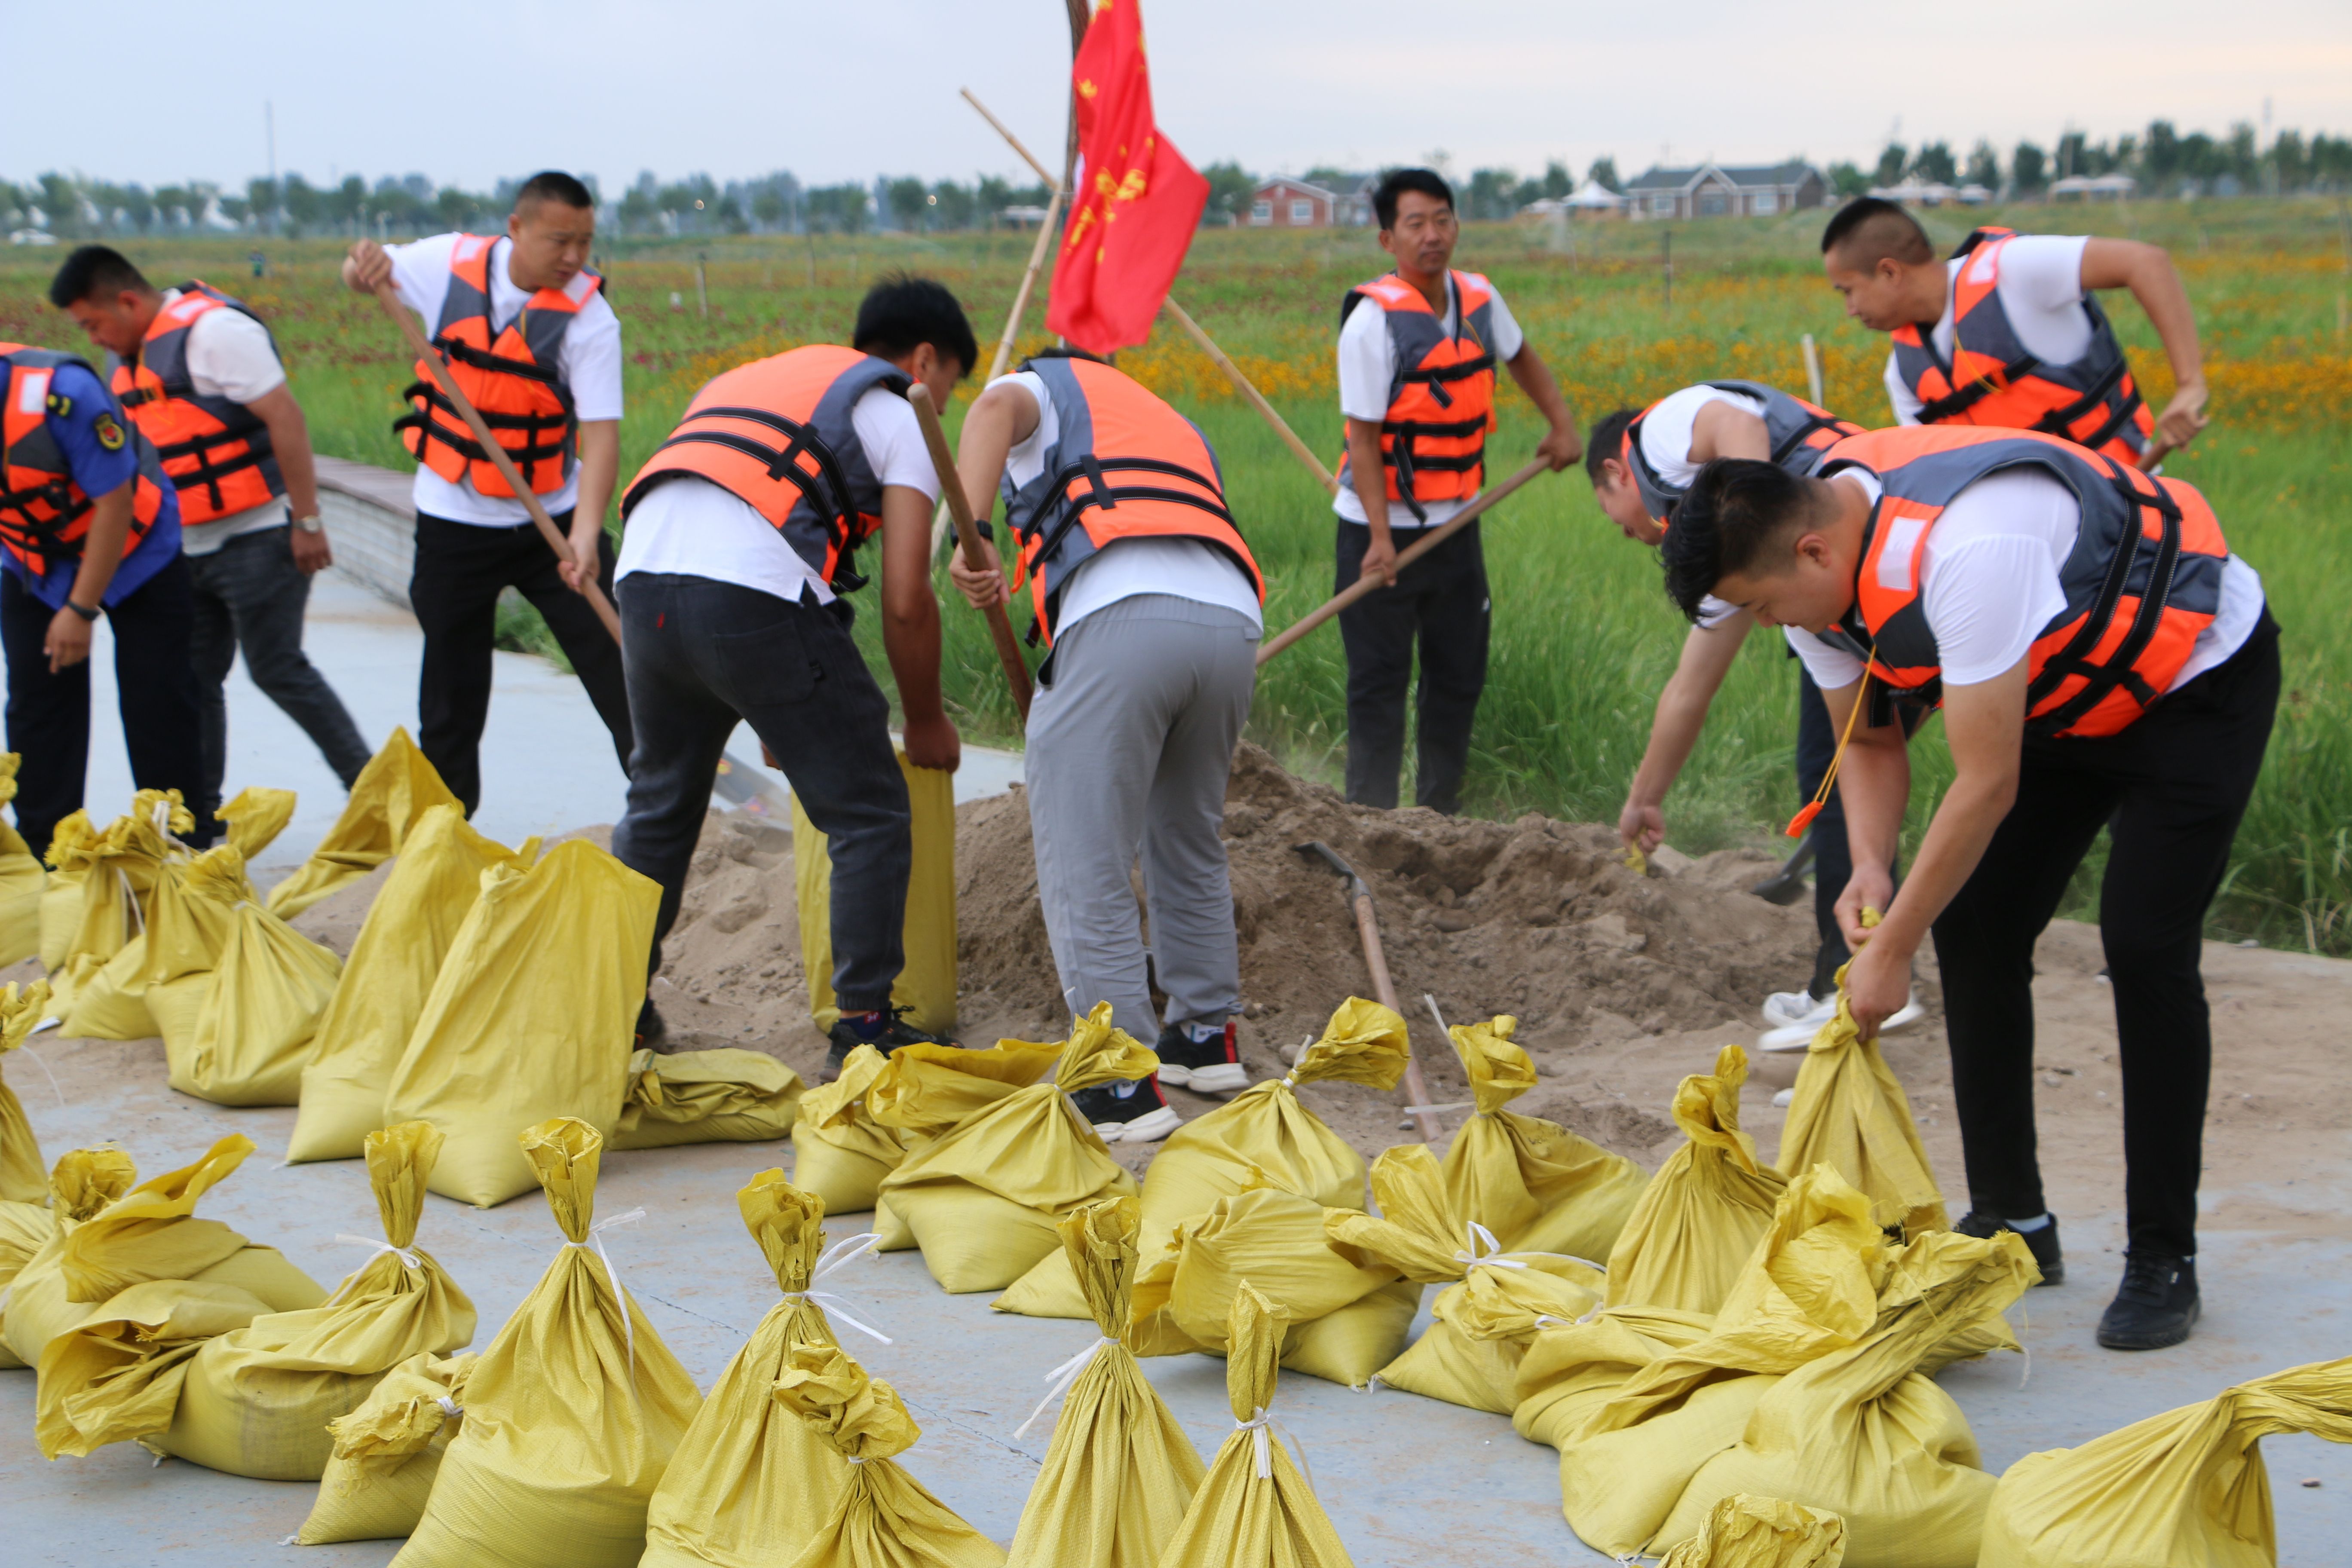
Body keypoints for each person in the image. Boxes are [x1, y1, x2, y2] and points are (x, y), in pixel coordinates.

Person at [1661, 423, 2276, 1352]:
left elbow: (1986, 783)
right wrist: (1873, 866)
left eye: (1760, 604)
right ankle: (2012, 1220)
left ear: (1811, 551)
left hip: (2189, 681)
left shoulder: (1970, 549)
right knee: (1981, 924)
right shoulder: (1821, 586)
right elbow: (1868, 739)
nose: (1766, 625)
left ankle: (2164, 1255)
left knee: (2143, 944)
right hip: (2062, 699)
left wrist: (1893, 948)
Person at [608, 277, 971, 1078]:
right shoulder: (901, 410)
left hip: (641, 577)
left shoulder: (755, 378)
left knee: (661, 802)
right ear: (923, 362)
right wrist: (924, 721)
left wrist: (776, 707)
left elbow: (757, 514)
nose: (940, 411)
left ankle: (614, 1009)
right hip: (745, 592)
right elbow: (907, 599)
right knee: (870, 808)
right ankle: (867, 1027)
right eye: (947, 390)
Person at [946, 348, 1265, 1144]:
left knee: (1083, 853)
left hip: (1123, 614)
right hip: (1230, 625)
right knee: (1186, 834)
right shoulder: (1167, 419)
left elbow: (987, 413)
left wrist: (974, 535)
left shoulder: (1042, 384)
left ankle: (1120, 1081)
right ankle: (1204, 1037)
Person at [1585, 380, 1920, 1041]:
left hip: (1867, 551)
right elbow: (1691, 686)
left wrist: (1761, 526)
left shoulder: (1657, 438)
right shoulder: (1720, 549)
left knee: (1834, 769)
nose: (1628, 534)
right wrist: (1645, 799)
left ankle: (1851, 980)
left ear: (1614, 472)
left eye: (1612, 513)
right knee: (1832, 763)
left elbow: (1734, 420)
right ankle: (1848, 969)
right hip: (1838, 573)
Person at [340, 170, 630, 816]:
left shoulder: (590, 321)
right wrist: (359, 268)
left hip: (552, 523)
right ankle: (445, 832)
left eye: (585, 241)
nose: (574, 257)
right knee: (452, 695)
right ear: (518, 229)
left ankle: (667, 807)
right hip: (453, 526)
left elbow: (603, 440)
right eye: (560, 240)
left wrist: (585, 534)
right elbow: (364, 279)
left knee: (622, 672)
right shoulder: (448, 263)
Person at [49, 246, 372, 820]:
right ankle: (198, 814)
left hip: (260, 534)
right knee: (195, 680)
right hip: (182, 546)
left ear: (127, 301)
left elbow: (287, 419)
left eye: (93, 324)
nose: (92, 338)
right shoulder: (122, 359)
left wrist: (308, 521)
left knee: (278, 668)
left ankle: (377, 796)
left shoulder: (216, 332)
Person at [1333, 167, 1582, 815]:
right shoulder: (1371, 323)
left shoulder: (1479, 299)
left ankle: (1439, 819)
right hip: (1378, 531)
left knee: (1457, 675)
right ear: (1388, 239)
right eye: (1416, 224)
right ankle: (1373, 821)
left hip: (1457, 522)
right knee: (1380, 682)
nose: (1433, 235)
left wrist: (1560, 426)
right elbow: (1363, 439)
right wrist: (1381, 540)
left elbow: (1522, 357)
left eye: (1443, 220)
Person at [0, 340, 208, 858]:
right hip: (35, 563)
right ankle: (47, 854)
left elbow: (114, 504)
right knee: (37, 701)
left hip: (138, 551)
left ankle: (178, 846)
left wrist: (79, 610)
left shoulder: (62, 395)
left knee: (157, 698)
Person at [1820, 197, 2208, 465]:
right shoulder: (1904, 373)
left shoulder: (2014, 271)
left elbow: (2146, 263)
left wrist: (2190, 385)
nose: (1850, 310)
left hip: (2125, 503)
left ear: (1890, 272)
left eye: (1848, 291)